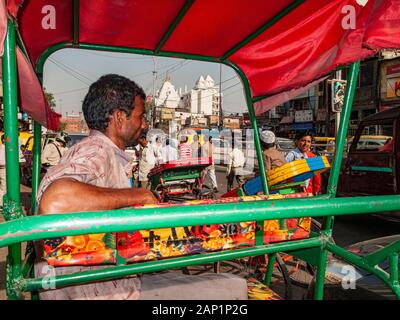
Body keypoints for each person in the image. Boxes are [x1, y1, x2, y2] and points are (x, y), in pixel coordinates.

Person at [35, 74, 247, 300]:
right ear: (119, 117)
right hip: (103, 292)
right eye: (141, 116)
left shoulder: (94, 152)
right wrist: (140, 195)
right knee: (233, 288)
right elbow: (55, 202)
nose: (145, 124)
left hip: (109, 278)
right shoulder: (96, 152)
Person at [285, 131, 321, 195]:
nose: (306, 143)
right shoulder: (290, 156)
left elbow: (317, 177)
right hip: (293, 192)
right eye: (303, 140)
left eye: (308, 141)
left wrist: (316, 191)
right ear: (297, 141)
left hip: (308, 192)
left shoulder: (313, 157)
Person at [0, 135, 5, 208]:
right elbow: (2, 161)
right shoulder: (3, 148)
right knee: (3, 186)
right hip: (3, 168)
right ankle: (1, 204)